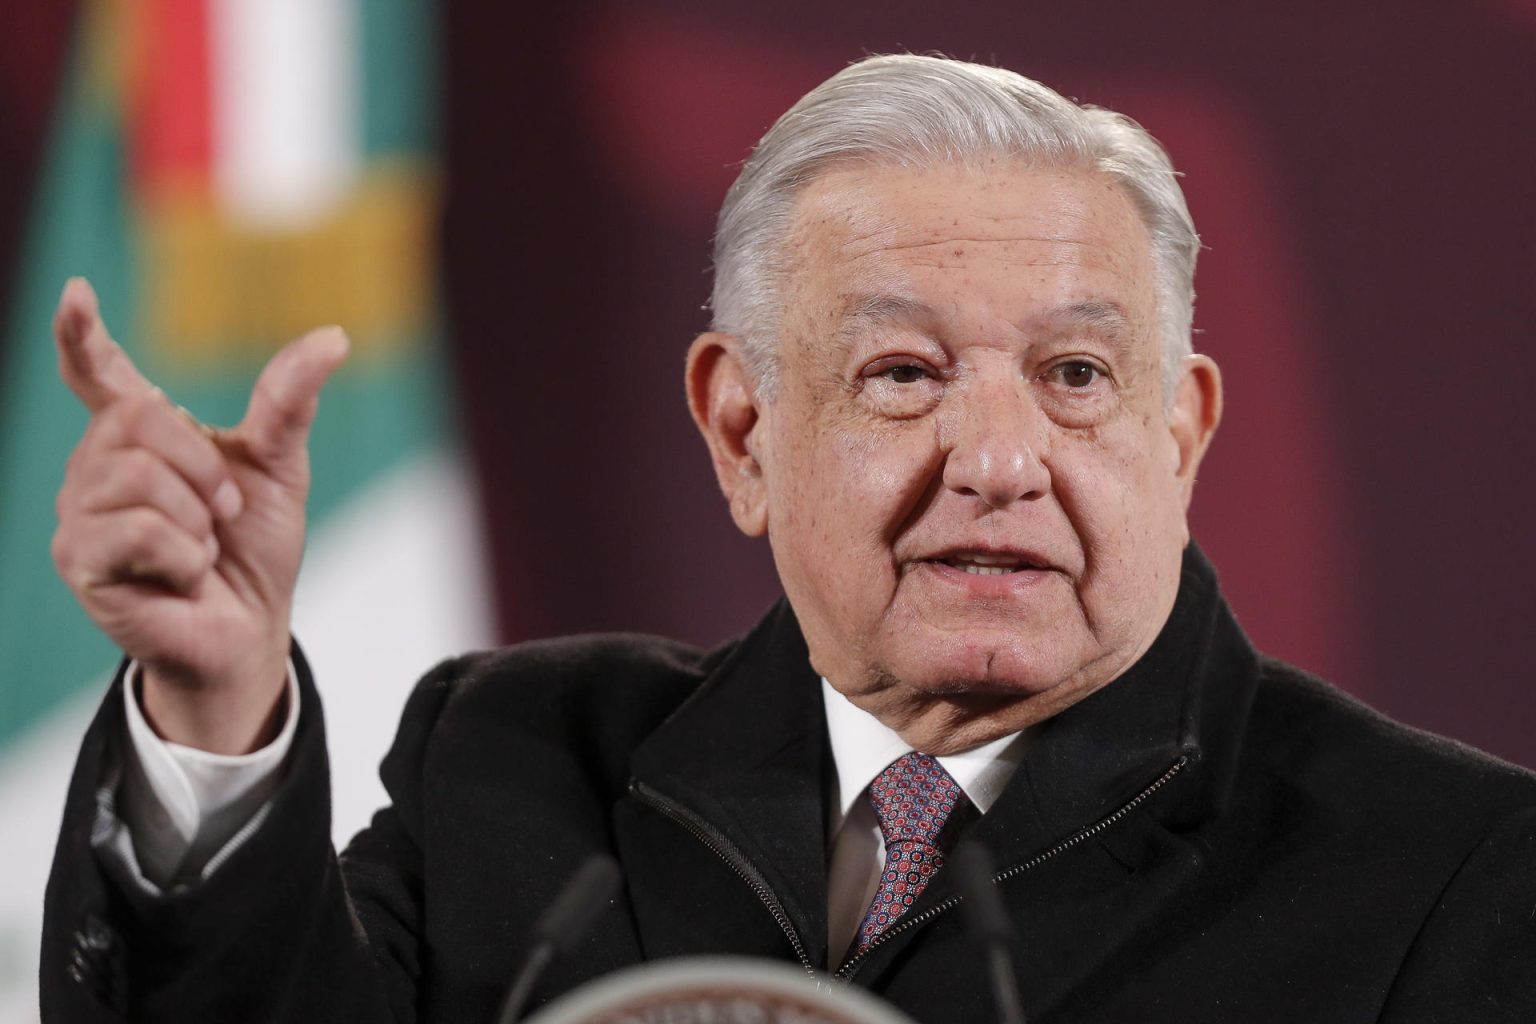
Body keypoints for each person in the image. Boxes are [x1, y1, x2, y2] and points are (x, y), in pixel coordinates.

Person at [40, 54, 1536, 1023]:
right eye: (904, 375)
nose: (1002, 460)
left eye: (1077, 377)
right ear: (741, 431)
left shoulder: (1446, 874)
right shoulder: (519, 766)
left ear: (1181, 432)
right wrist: (214, 703)